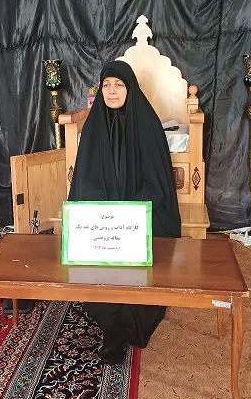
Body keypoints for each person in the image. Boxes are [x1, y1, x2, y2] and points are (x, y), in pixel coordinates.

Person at [68, 60, 181, 364]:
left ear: (130, 89)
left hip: (141, 214)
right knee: (99, 247)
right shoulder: (93, 127)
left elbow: (157, 181)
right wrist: (104, 214)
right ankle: (112, 330)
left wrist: (131, 214)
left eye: (119, 85)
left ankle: (134, 318)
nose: (112, 91)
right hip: (104, 218)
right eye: (106, 85)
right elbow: (85, 180)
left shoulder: (148, 125)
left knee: (140, 251)